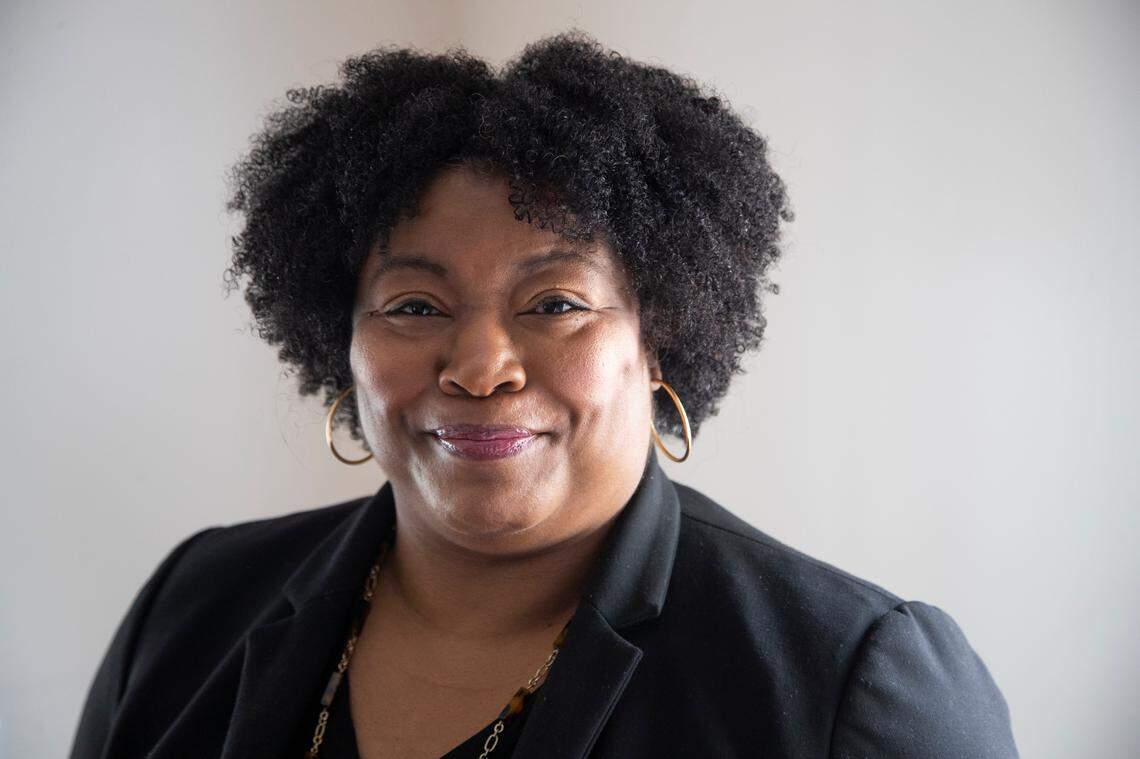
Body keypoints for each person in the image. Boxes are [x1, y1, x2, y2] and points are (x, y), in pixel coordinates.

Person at [69, 30, 1019, 759]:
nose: (481, 366)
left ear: (661, 337)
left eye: (555, 301)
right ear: (340, 337)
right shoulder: (191, 606)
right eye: (412, 303)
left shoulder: (852, 677)